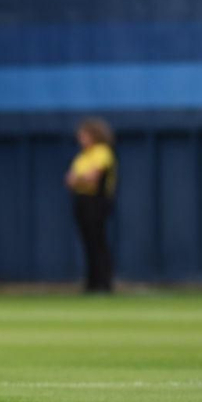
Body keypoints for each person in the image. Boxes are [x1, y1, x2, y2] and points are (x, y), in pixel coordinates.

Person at [63, 118, 116, 293]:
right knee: (87, 243)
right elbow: (69, 180)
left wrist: (79, 179)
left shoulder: (102, 152)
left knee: (98, 241)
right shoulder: (83, 156)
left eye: (83, 135)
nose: (80, 139)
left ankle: (104, 283)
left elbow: (93, 179)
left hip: (97, 202)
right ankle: (92, 283)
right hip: (82, 201)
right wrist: (80, 179)